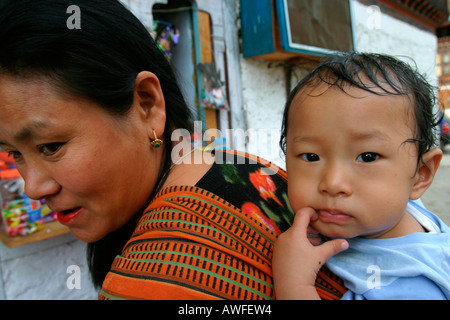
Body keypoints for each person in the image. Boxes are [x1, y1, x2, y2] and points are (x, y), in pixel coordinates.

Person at [0, 0, 347, 300]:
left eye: (51, 146)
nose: (32, 187)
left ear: (147, 104)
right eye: (12, 153)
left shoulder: (154, 279)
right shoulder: (242, 169)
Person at [273, 52, 450, 300]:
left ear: (420, 175)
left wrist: (294, 285)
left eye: (367, 157)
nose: (333, 184)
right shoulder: (396, 209)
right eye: (311, 157)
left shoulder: (408, 283)